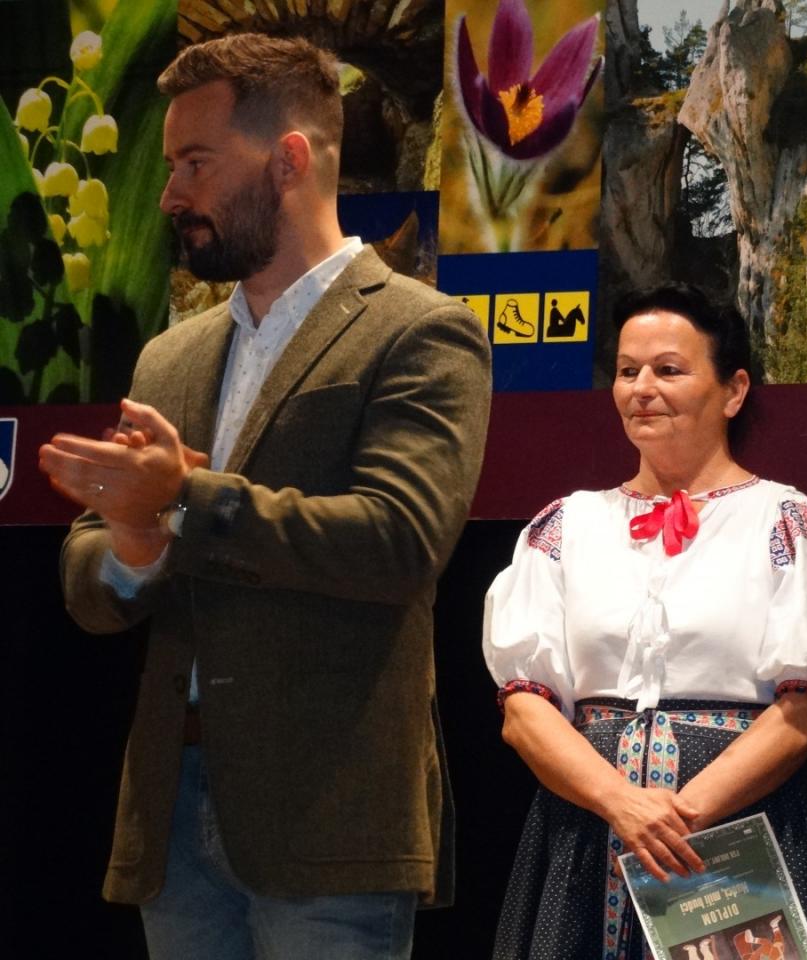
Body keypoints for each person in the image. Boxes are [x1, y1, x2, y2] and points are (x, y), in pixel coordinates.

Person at [38, 33, 491, 960]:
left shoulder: (419, 331)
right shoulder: (169, 358)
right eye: (171, 166)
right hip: (171, 806)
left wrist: (184, 501)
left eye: (196, 163)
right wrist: (133, 545)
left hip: (332, 815)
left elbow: (400, 541)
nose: (169, 194)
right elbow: (91, 578)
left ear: (289, 159)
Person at [482, 283, 807, 960]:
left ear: (733, 390)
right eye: (627, 371)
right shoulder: (567, 524)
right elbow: (524, 709)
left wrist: (676, 818)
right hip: (589, 830)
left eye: (668, 370)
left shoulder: (786, 521)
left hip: (734, 830)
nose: (642, 389)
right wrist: (619, 803)